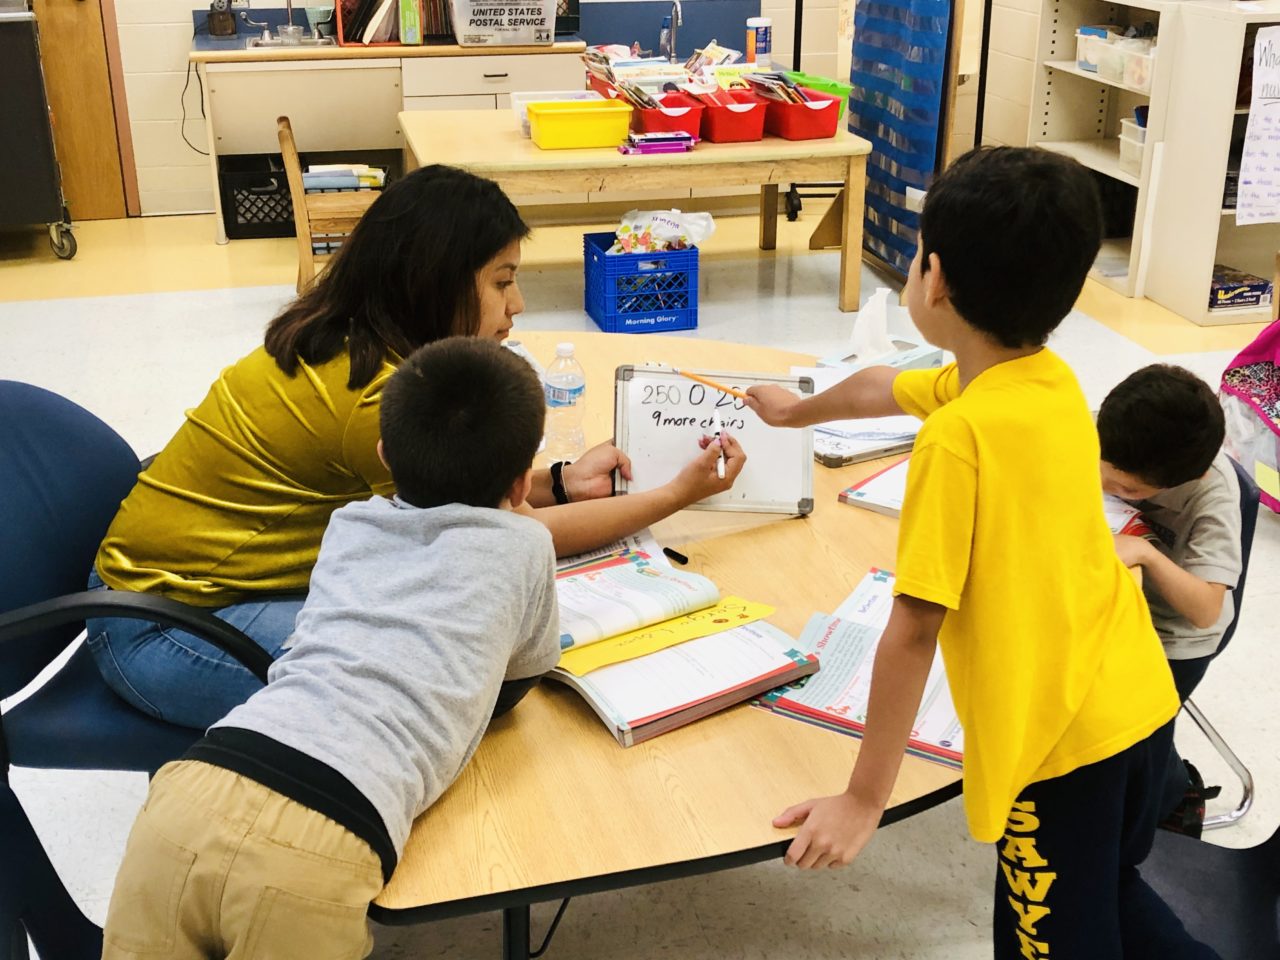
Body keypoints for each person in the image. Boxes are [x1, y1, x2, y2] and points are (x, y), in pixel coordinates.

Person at [747, 147, 1217, 958]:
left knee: (1050, 942)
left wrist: (865, 798)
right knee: (1112, 893)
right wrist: (797, 413)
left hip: (1061, 748)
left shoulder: (959, 438)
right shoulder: (1046, 380)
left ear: (935, 280)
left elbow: (914, 628)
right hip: (1140, 711)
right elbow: (881, 385)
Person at [86, 164, 744, 730]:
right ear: (434, 281)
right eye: (500, 280)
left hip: (183, 585)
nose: (517, 304)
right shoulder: (376, 400)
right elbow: (517, 534)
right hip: (164, 623)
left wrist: (563, 479)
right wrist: (673, 495)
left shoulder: (355, 337)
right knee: (442, 691)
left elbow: (473, 488)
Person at [101, 337, 565, 957]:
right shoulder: (526, 546)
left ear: (383, 454)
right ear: (519, 486)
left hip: (191, 790)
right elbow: (515, 683)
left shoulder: (349, 522)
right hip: (326, 834)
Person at [1098, 364, 1243, 835]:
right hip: (1112, 599)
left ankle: (1175, 796)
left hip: (1173, 637)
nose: (1114, 491)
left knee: (1130, 740)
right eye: (1108, 477)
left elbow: (1206, 610)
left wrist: (1147, 554)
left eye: (1131, 492)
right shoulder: (1114, 435)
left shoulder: (1212, 495)